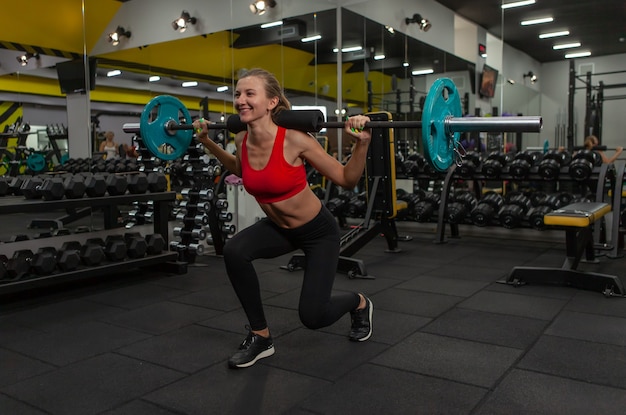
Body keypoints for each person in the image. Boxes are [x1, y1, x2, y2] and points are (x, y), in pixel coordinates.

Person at [193, 68, 374, 369]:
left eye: (250, 94)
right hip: (279, 228)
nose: (240, 100)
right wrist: (207, 142)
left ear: (271, 102)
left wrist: (362, 143)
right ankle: (260, 336)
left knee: (313, 317)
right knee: (235, 251)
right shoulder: (241, 139)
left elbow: (347, 179)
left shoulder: (295, 140)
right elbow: (240, 169)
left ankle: (360, 302)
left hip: (317, 232)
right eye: (237, 94)